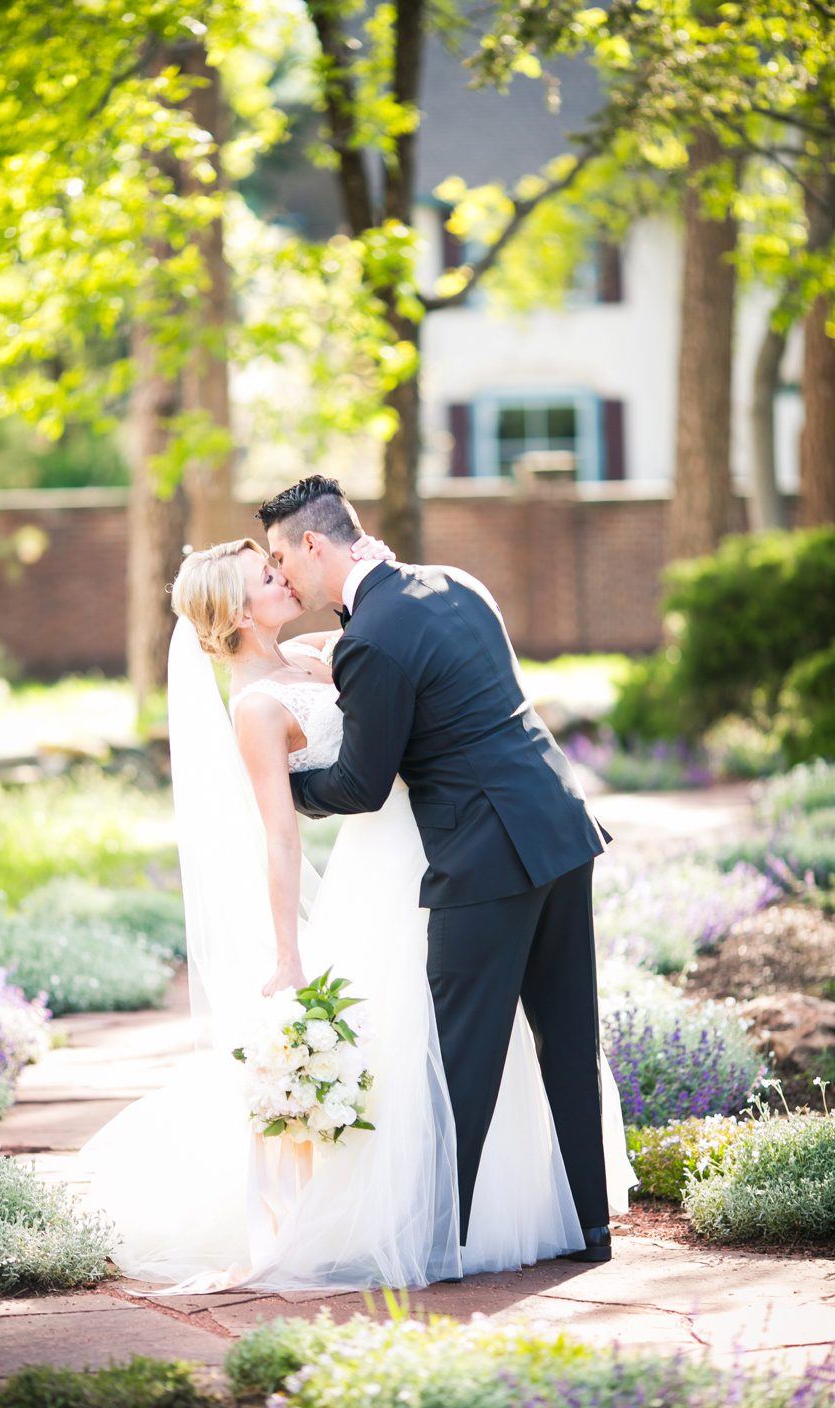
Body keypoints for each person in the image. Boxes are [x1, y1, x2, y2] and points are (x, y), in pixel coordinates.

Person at [80, 523, 632, 1292]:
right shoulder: (256, 710)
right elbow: (278, 838)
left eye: (276, 562)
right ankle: (425, 1227)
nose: (280, 575)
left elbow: (405, 683)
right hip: (396, 869)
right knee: (432, 1046)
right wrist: (287, 954)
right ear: (238, 615)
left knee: (485, 1042)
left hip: (447, 840)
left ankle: (521, 1214)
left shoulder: (322, 654)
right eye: (263, 576)